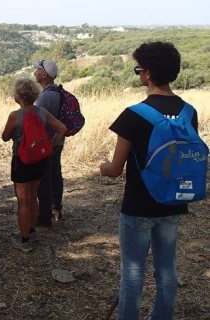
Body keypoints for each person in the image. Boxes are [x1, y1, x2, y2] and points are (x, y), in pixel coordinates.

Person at [100, 42, 197, 320]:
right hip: (173, 202)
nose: (138, 74)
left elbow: (116, 168)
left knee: (132, 273)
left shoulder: (134, 114)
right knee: (167, 270)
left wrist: (102, 167)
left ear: (148, 73)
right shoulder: (189, 112)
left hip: (139, 205)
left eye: (138, 69)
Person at [1, 77, 66, 253]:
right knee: (33, 195)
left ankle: (24, 241)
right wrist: (49, 147)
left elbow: (5, 137)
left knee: (23, 200)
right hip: (39, 159)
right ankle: (31, 230)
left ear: (18, 95)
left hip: (21, 160)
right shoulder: (42, 112)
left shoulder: (15, 115)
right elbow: (62, 129)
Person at [33, 59, 65, 226]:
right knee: (55, 174)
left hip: (49, 142)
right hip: (58, 140)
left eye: (37, 70)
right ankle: (56, 209)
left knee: (45, 178)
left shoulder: (45, 97)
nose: (34, 73)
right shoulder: (57, 92)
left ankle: (44, 216)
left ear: (44, 74)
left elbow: (39, 123)